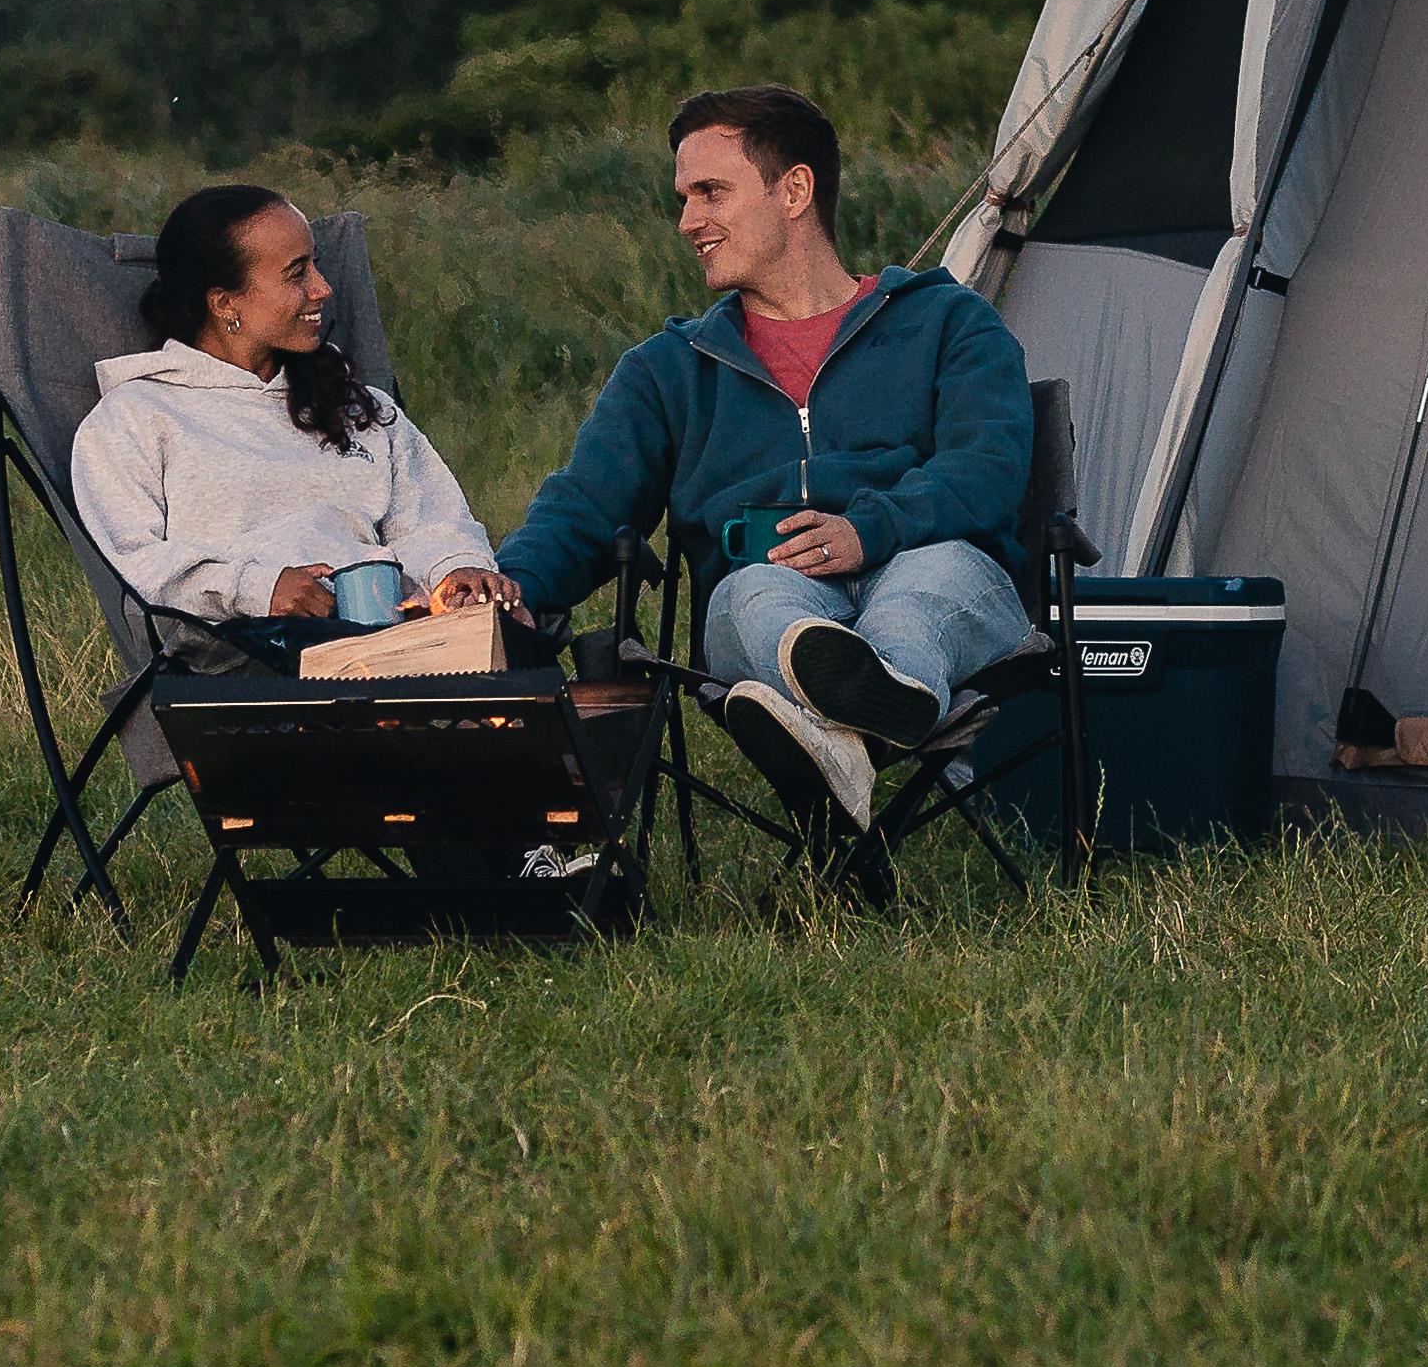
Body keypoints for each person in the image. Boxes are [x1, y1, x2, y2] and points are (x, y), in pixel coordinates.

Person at [491, 83, 1034, 823]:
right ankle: (861, 719)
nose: (689, 222)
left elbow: (986, 466)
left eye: (710, 192)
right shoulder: (668, 370)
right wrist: (512, 587)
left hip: (935, 560)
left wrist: (868, 528)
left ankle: (857, 716)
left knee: (920, 592)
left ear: (795, 191)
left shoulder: (946, 322)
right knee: (752, 596)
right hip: (767, 584)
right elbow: (584, 506)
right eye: (683, 199)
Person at [72, 181, 505, 632]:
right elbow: (136, 562)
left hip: (393, 633)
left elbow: (431, 523)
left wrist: (456, 569)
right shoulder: (134, 418)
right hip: (246, 657)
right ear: (224, 303)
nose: (323, 287)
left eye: (315, 263)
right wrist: (259, 589)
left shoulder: (359, 407)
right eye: (297, 273)